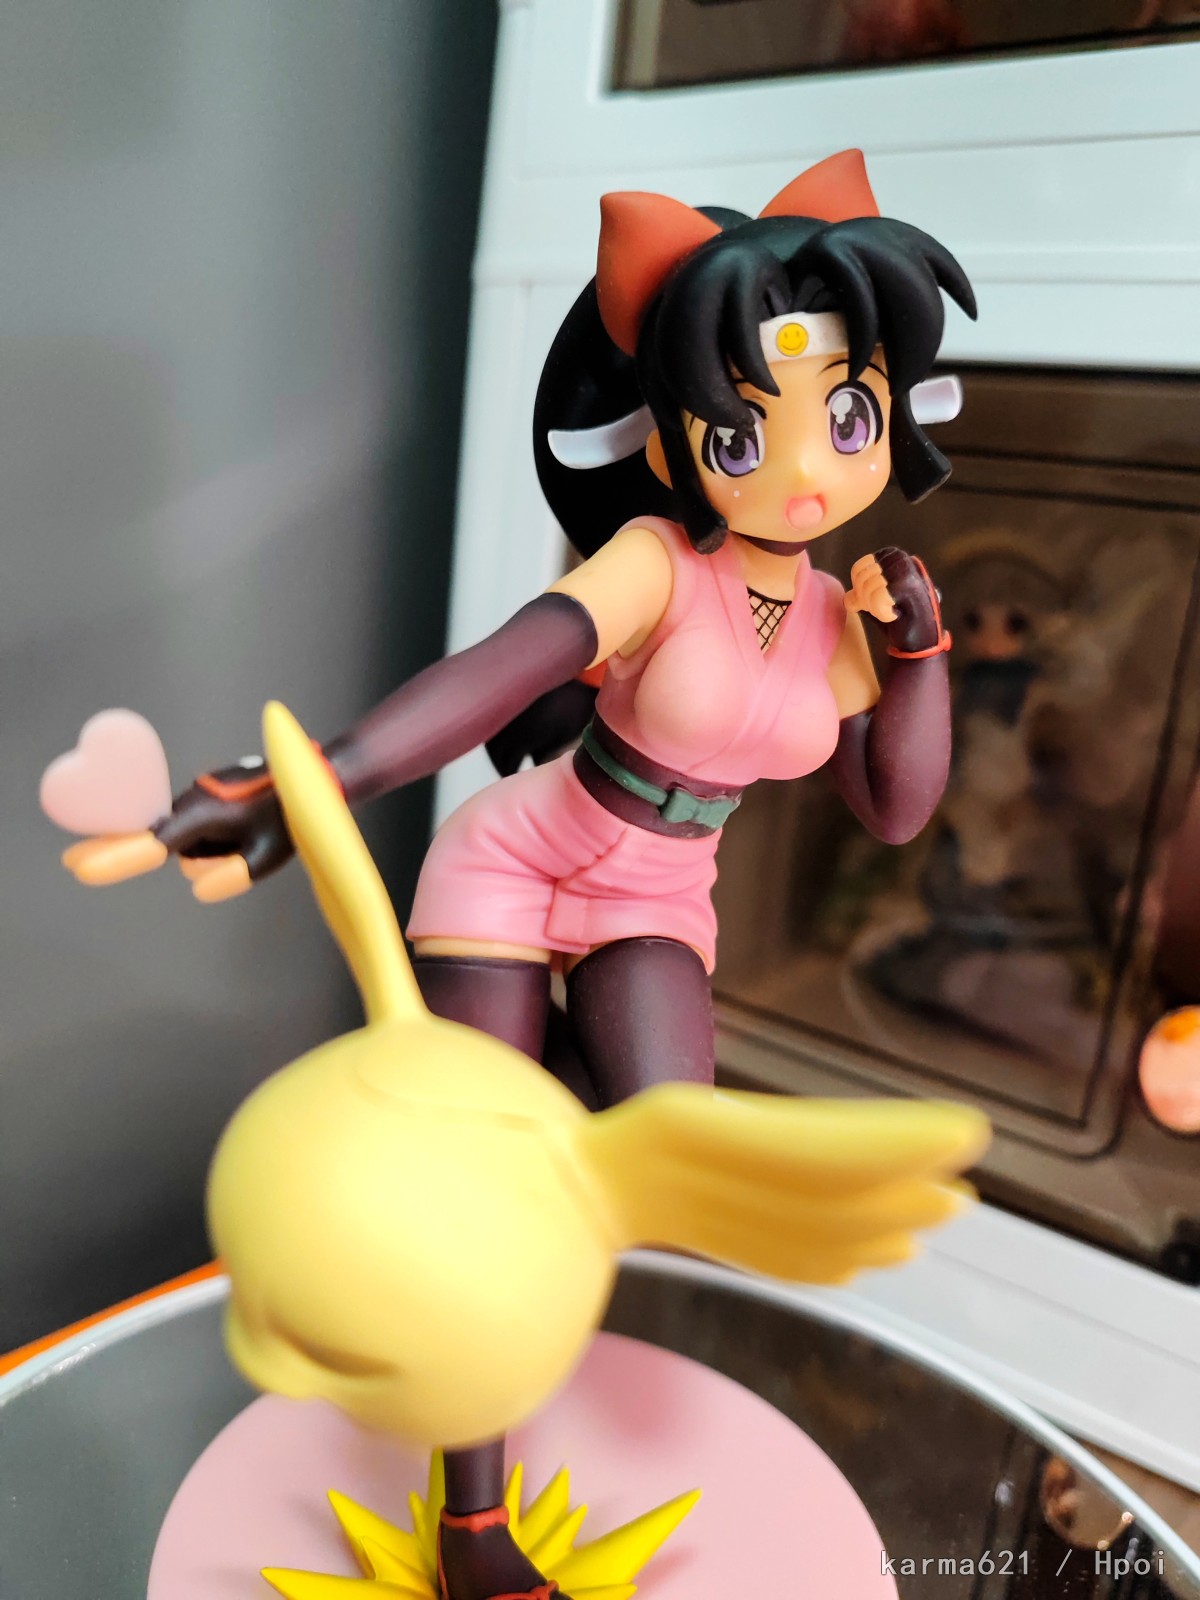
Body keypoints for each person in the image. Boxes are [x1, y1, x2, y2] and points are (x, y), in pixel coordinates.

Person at [63, 150, 975, 1600]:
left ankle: (522, 1254)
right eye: (746, 433)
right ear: (678, 442)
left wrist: (918, 658)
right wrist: (312, 781)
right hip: (519, 862)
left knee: (666, 1148)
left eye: (846, 415)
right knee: (472, 1196)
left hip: (660, 896)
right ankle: (472, 1520)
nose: (806, 470)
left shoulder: (833, 618)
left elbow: (895, 807)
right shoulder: (654, 564)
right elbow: (500, 675)